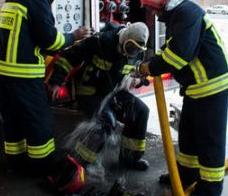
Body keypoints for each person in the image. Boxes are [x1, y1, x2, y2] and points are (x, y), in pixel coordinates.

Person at [136, 0, 228, 196]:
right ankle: (186, 175)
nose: (152, 14)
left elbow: (180, 55)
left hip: (213, 85)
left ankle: (210, 188)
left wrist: (148, 68)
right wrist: (153, 62)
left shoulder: (187, 13)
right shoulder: (179, 15)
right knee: (189, 134)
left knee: (209, 139)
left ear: (161, 3)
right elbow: (173, 48)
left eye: (151, 8)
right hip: (197, 87)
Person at [0, 0, 91, 176]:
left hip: (0, 71)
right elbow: (49, 40)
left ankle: (16, 163)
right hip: (22, 73)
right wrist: (73, 36)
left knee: (12, 117)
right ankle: (42, 166)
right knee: (38, 119)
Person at [48, 22, 151, 171]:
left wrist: (138, 80)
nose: (132, 52)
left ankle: (130, 158)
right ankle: (78, 163)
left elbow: (138, 73)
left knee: (141, 111)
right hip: (90, 92)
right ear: (124, 38)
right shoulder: (101, 42)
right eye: (130, 47)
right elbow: (69, 57)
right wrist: (56, 82)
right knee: (106, 122)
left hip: (114, 93)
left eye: (137, 49)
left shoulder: (136, 52)